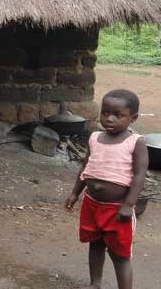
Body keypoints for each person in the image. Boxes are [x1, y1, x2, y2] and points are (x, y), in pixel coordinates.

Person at [65, 89, 148, 289]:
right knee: (95, 245)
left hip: (117, 209)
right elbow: (86, 167)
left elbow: (139, 176)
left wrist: (128, 204)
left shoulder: (135, 142)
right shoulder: (95, 138)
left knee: (120, 255)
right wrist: (75, 192)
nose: (109, 119)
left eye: (117, 115)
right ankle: (95, 283)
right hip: (92, 204)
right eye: (105, 113)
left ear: (133, 118)